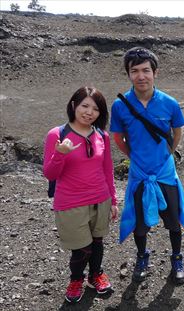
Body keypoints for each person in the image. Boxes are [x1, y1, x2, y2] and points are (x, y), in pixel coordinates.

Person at [110, 47, 184, 285]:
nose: (141, 76)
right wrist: (134, 157)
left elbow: (178, 131)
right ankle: (142, 257)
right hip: (139, 173)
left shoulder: (169, 103)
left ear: (155, 72)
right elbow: (118, 138)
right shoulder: (120, 106)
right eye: (134, 71)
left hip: (165, 173)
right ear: (128, 74)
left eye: (146, 70)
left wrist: (168, 152)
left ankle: (177, 258)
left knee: (173, 219)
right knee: (139, 222)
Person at [43, 86, 118, 303]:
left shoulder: (102, 135)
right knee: (81, 248)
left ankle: (96, 275)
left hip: (100, 199)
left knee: (97, 242)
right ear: (74, 105)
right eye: (85, 105)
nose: (89, 112)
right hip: (71, 202)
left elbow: (108, 170)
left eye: (95, 108)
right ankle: (76, 279)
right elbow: (50, 173)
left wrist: (113, 200)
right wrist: (60, 155)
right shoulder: (57, 135)